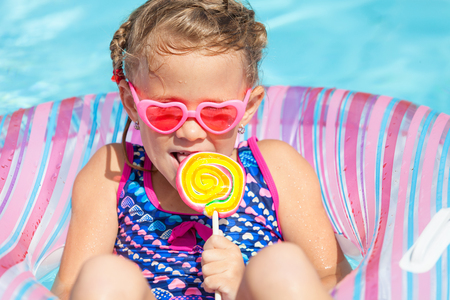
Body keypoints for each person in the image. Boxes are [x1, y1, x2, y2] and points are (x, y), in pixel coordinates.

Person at [51, 0, 351, 299]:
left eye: (215, 113)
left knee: (281, 265)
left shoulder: (275, 168)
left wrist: (243, 287)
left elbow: (333, 278)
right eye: (165, 112)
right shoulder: (114, 175)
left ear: (248, 108)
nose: (191, 132)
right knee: (105, 275)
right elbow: (68, 290)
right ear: (131, 104)